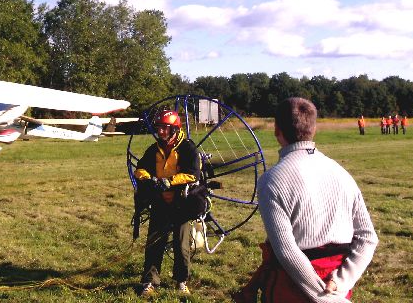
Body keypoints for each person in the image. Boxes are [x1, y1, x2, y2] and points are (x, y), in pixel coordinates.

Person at [233, 97, 378, 303]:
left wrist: (326, 298)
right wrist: (341, 283)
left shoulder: (271, 180)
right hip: (335, 289)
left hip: (292, 290)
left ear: (277, 131)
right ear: (314, 129)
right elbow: (368, 238)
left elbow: (287, 252)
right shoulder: (341, 173)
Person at [133, 108, 205, 297]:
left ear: (174, 129)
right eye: (159, 128)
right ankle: (150, 281)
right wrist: (148, 179)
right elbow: (139, 168)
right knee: (154, 243)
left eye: (165, 128)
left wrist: (169, 181)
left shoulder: (188, 148)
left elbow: (193, 174)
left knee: (181, 246)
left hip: (181, 205)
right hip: (160, 204)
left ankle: (181, 282)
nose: (161, 131)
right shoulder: (154, 149)